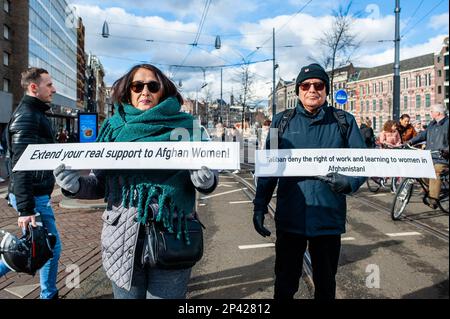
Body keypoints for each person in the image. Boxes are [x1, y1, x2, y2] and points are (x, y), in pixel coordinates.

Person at [52, 64, 219, 299]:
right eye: (137, 86)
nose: (145, 91)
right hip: (121, 238)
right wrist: (75, 186)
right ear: (128, 91)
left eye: (152, 85)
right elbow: (99, 183)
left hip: (173, 232)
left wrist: (205, 180)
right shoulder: (112, 128)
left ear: (163, 90)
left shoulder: (188, 126)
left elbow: (209, 176)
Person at [252, 63, 366, 300]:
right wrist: (260, 205)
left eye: (319, 85)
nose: (312, 89)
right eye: (306, 85)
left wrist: (350, 182)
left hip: (328, 217)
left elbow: (363, 162)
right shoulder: (280, 122)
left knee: (325, 285)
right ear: (298, 91)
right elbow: (269, 169)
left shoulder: (344, 121)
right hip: (291, 217)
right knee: (285, 284)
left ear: (326, 90)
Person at [0, 67, 60, 299]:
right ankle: (49, 295)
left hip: (35, 194)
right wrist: (26, 209)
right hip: (32, 196)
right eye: (49, 85)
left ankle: (49, 293)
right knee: (48, 247)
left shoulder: (35, 113)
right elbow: (21, 164)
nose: (53, 89)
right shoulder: (27, 116)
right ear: (34, 87)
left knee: (37, 247)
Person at [408, 104, 448, 209]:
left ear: (438, 113)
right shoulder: (432, 124)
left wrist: (446, 150)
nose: (430, 113)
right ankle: (431, 189)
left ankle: (433, 200)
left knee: (435, 172)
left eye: (431, 111)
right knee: (420, 170)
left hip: (443, 159)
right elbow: (423, 135)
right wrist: (410, 142)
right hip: (430, 156)